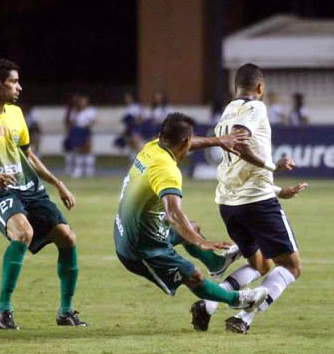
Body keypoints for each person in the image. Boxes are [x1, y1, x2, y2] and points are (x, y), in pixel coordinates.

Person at [0, 58, 86, 329]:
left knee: (67, 236)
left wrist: (58, 183)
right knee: (23, 233)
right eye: (13, 82)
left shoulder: (16, 114)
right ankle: (2, 310)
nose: (19, 87)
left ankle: (66, 311)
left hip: (29, 188)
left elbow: (29, 155)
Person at [190, 63, 308, 334]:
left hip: (230, 204)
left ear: (235, 87)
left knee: (261, 264)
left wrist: (278, 190)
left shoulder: (228, 111)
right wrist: (272, 167)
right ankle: (244, 318)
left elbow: (237, 165)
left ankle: (208, 304)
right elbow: (241, 142)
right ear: (260, 87)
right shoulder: (256, 107)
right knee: (291, 267)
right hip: (257, 203)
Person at [113, 112, 268, 313]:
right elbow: (173, 213)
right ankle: (237, 300)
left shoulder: (152, 147)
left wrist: (219, 141)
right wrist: (201, 242)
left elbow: (188, 143)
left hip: (131, 227)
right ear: (185, 140)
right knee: (192, 273)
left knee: (191, 227)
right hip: (139, 248)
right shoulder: (167, 170)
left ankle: (216, 264)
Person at [68, 94, 97, 178]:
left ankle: (89, 170)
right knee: (78, 150)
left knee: (88, 149)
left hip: (86, 131)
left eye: (84, 101)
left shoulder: (91, 110)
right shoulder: (75, 111)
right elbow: (72, 121)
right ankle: (78, 170)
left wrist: (87, 125)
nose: (82, 103)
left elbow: (93, 121)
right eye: (81, 101)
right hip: (77, 131)